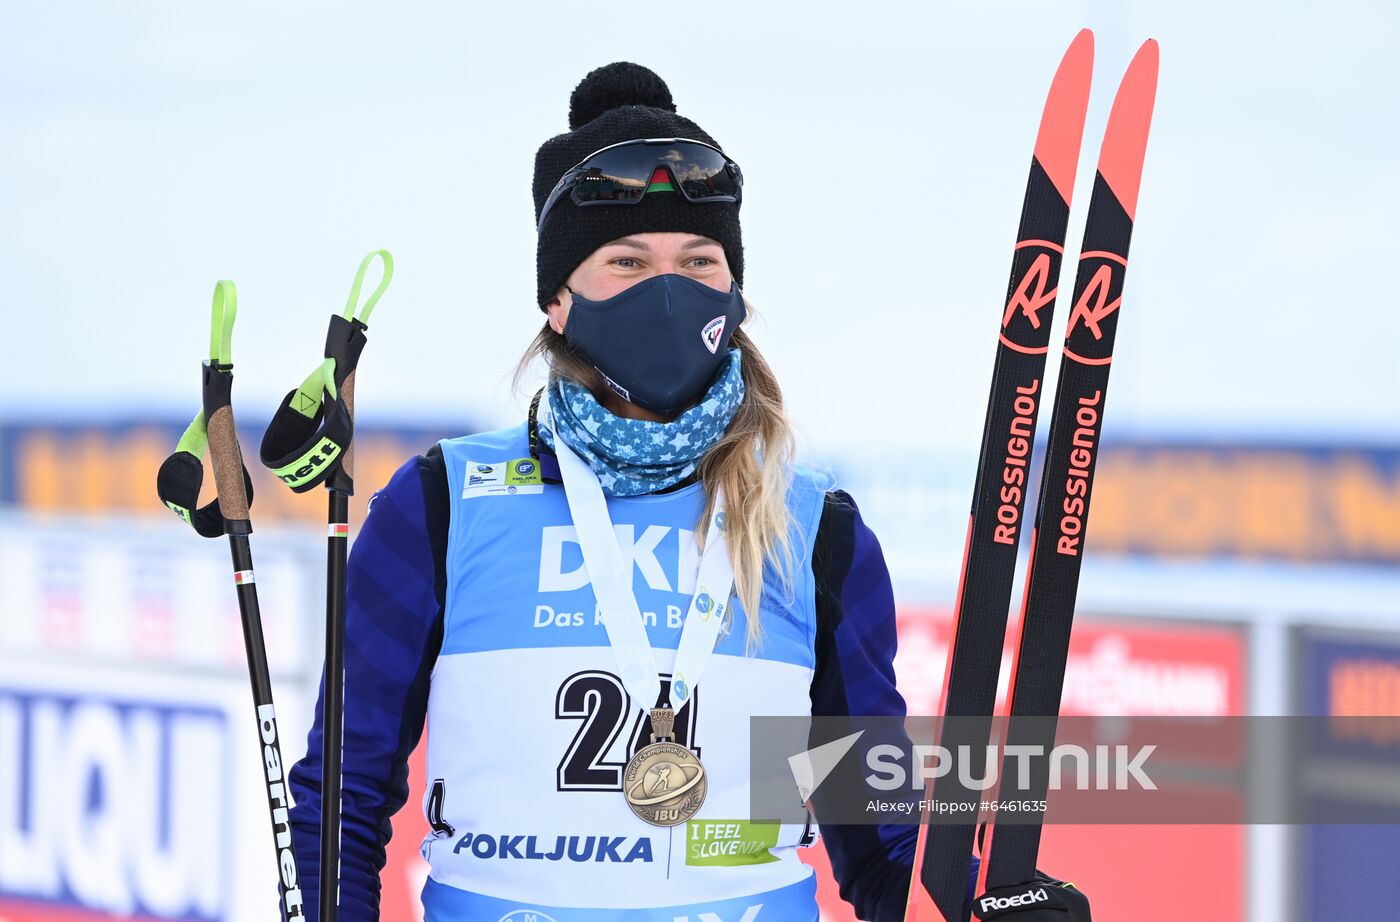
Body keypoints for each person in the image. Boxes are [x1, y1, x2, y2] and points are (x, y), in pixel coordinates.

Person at [287, 61, 1089, 922]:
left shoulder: (813, 528)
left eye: (697, 262)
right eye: (626, 262)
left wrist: (974, 899)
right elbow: (343, 798)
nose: (666, 289)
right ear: (558, 300)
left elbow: (878, 838)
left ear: (733, 293)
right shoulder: (443, 506)